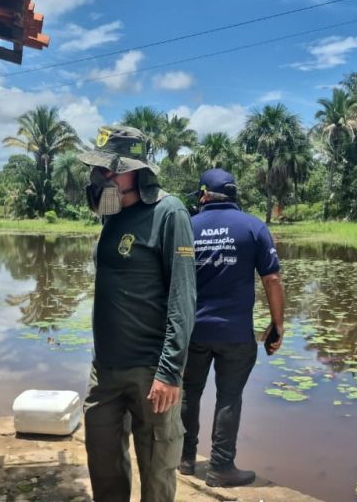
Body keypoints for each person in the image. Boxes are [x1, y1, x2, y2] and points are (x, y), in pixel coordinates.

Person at [78, 126, 196, 502]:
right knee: (103, 460)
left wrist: (169, 371)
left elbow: (183, 298)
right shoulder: (110, 217)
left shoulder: (168, 213)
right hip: (106, 370)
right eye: (98, 170)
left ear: (135, 170)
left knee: (157, 470)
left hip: (151, 372)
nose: (100, 178)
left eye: (109, 170)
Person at [178, 168, 284, 487]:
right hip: (235, 335)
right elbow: (272, 278)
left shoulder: (187, 227)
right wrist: (277, 324)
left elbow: (169, 280)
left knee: (188, 392)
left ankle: (184, 459)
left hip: (193, 331)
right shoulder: (253, 226)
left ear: (204, 195)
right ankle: (221, 467)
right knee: (229, 396)